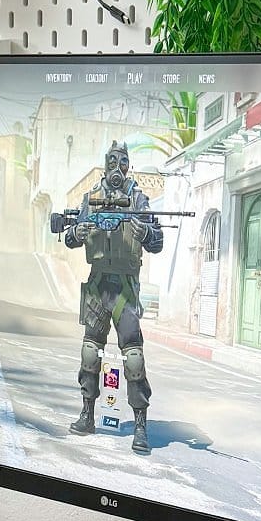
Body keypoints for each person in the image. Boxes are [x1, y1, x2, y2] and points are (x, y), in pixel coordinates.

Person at [64, 140, 163, 455]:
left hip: (125, 287)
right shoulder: (90, 198)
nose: (117, 168)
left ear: (128, 166)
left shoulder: (138, 199)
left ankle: (140, 427)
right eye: (112, 161)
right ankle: (87, 414)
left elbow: (157, 240)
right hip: (97, 285)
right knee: (90, 352)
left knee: (133, 356)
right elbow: (69, 235)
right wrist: (76, 234)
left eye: (123, 162)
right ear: (105, 163)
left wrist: (145, 233)